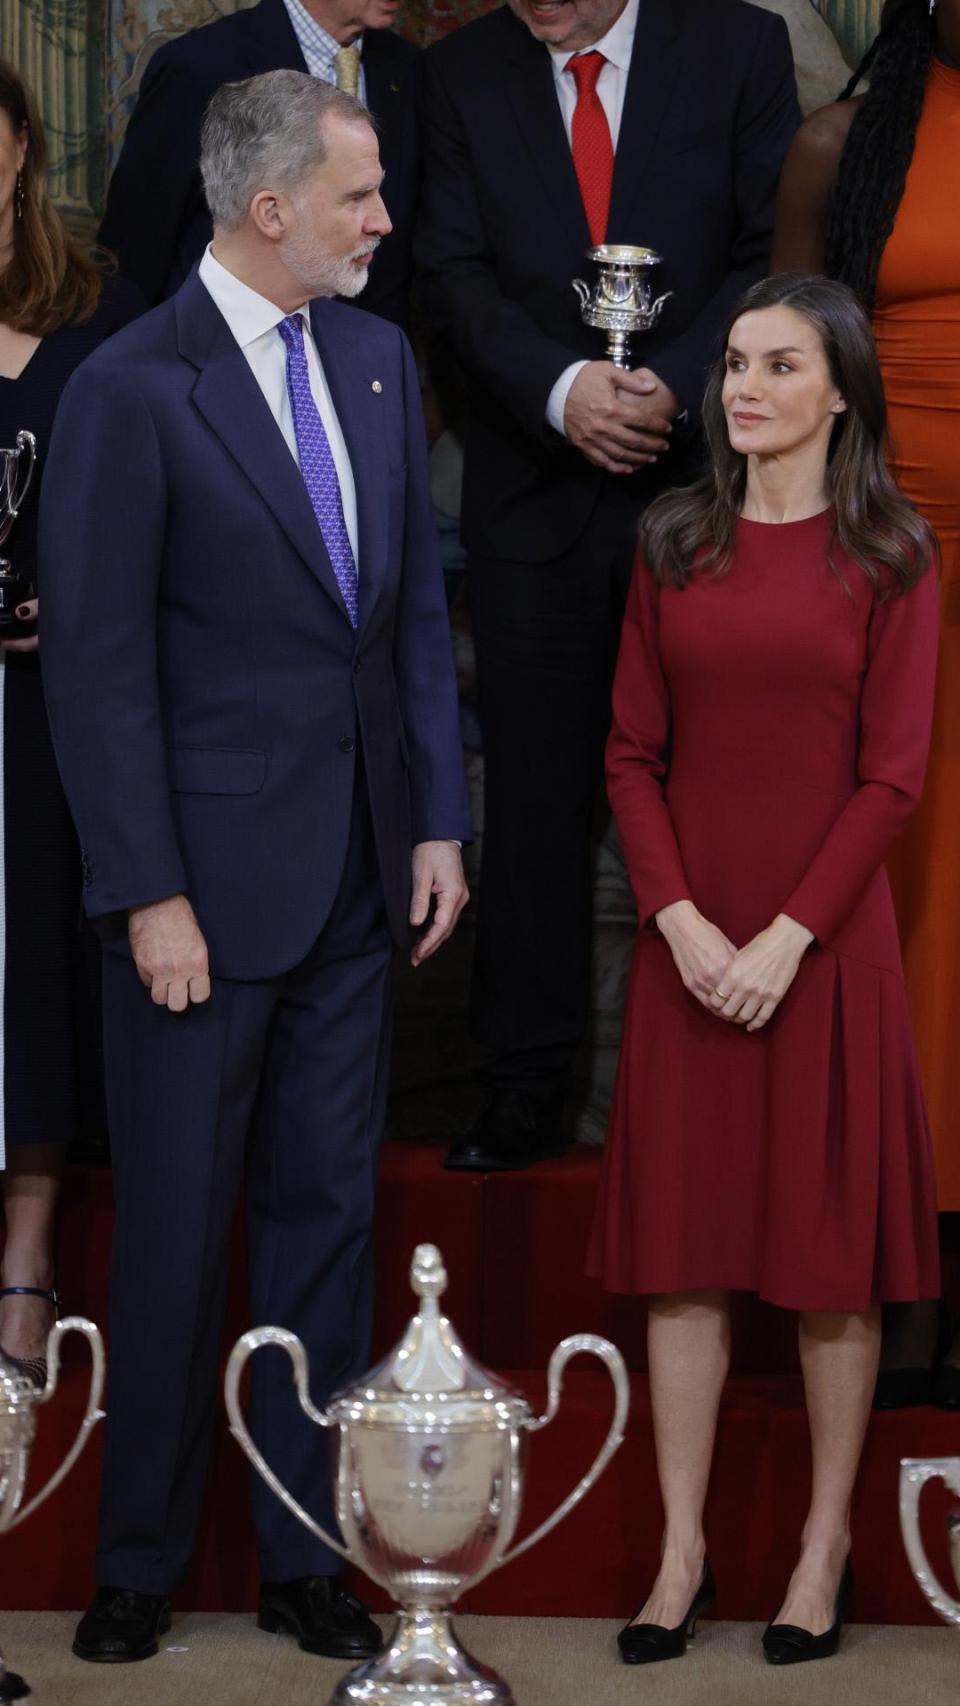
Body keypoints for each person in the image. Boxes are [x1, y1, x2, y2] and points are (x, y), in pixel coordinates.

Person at [40, 70, 470, 1664]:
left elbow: (408, 619)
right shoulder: (131, 385)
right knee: (170, 1226)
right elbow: (97, 671)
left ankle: (304, 1553)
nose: (383, 221)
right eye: (359, 195)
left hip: (360, 876)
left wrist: (435, 821)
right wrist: (147, 892)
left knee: (325, 1225)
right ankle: (137, 1563)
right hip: (196, 904)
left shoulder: (376, 357)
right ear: (270, 207)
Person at [588, 272, 939, 1666]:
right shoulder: (673, 539)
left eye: (780, 364)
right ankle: (682, 1550)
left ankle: (819, 1545)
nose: (744, 386)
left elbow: (895, 776)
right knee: (684, 1261)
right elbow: (630, 753)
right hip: (692, 948)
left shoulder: (893, 554)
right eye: (735, 362)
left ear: (842, 389)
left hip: (825, 949)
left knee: (827, 1264)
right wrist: (679, 921)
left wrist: (790, 936)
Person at [416, 0, 801, 1172]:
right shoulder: (461, 72)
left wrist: (681, 385)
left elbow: (770, 251)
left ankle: (729, 1093)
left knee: (723, 805)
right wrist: (562, 390)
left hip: (705, 494)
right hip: (532, 495)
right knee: (532, 814)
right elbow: (449, 271)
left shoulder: (736, 47)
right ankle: (522, 1086)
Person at [772, 0, 960, 1407]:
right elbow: (782, 371)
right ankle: (895, 1279)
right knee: (903, 924)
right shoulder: (843, 146)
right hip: (895, 571)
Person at [0, 61, 141, 1385]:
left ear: (21, 149)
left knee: (35, 958)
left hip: (50, 705)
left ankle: (27, 1253)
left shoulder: (99, 309)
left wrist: (83, 597)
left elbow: (165, 491)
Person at [99, 0, 418, 324]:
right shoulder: (199, 65)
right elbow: (139, 241)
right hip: (217, 338)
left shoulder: (408, 68)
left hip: (360, 343)